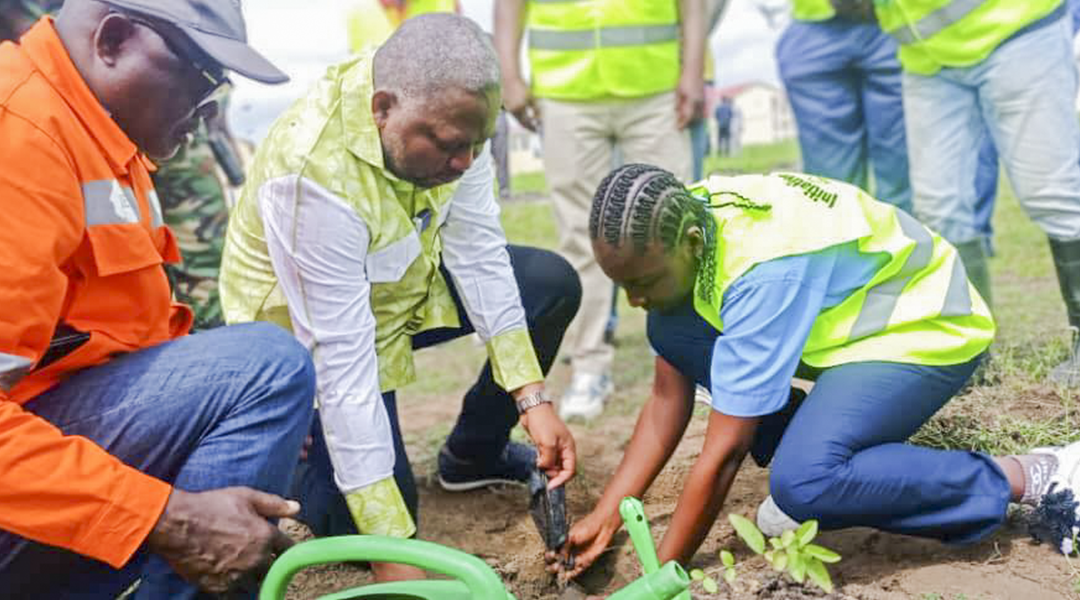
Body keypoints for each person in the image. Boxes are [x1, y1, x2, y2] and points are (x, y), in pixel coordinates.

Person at [548, 163, 1080, 576]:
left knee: (806, 481)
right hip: (851, 335)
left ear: (688, 243)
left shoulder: (762, 272)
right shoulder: (685, 219)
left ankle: (1028, 475)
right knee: (672, 328)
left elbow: (726, 451)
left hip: (924, 328)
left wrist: (663, 574)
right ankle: (819, 463)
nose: (634, 300)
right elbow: (667, 400)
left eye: (643, 281)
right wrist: (606, 516)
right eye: (623, 286)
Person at [219, 13, 581, 583]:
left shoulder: (454, 120)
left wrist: (531, 398)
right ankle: (293, 446)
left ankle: (473, 454)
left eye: (477, 144)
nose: (463, 162)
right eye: (448, 146)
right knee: (368, 534)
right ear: (382, 108)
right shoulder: (314, 171)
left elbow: (479, 254)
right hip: (300, 338)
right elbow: (341, 358)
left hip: (400, 285)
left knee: (548, 284)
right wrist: (393, 552)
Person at [0, 1, 315, 598]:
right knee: (266, 366)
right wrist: (162, 517)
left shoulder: (98, 131)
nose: (211, 109)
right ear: (114, 40)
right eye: (199, 76)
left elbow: (123, 332)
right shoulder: (18, 133)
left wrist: (230, 410)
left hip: (35, 474)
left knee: (262, 386)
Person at [495, 0, 706, 421]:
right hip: (564, 90)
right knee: (579, 235)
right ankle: (589, 367)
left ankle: (690, 357)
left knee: (677, 224)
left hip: (654, 83)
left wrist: (693, 71)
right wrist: (509, 73)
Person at [876, 0, 1080, 386]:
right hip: (926, 57)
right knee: (939, 208)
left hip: (1016, 29)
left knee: (1052, 193)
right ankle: (968, 353)